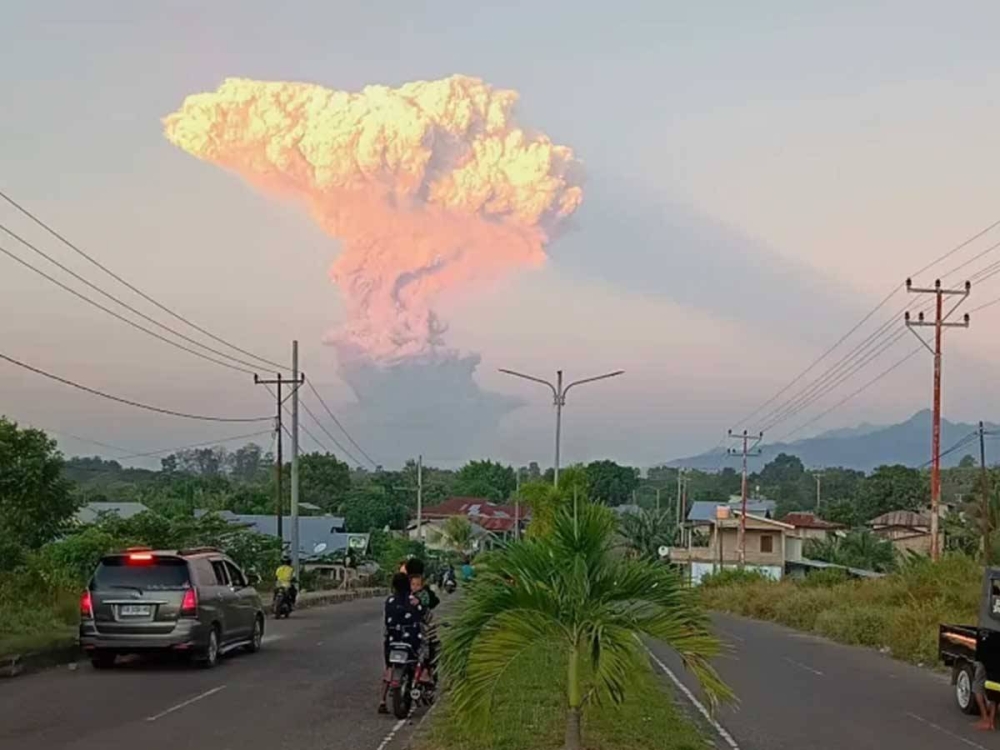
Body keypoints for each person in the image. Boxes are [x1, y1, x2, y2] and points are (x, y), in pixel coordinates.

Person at [378, 572, 423, 714]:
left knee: (389, 669)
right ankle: (419, 685)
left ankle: (382, 700)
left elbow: (387, 621)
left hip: (392, 642)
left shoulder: (389, 601)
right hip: (410, 641)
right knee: (420, 659)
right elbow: (423, 616)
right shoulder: (413, 601)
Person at [405, 558, 439, 684]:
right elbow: (434, 602)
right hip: (421, 629)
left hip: (402, 629)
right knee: (430, 644)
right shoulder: (425, 590)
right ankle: (425, 671)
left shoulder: (403, 587)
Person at [973, 661, 996, 730]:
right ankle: (991, 721)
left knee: (977, 688)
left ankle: (985, 719)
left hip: (984, 661)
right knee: (993, 687)